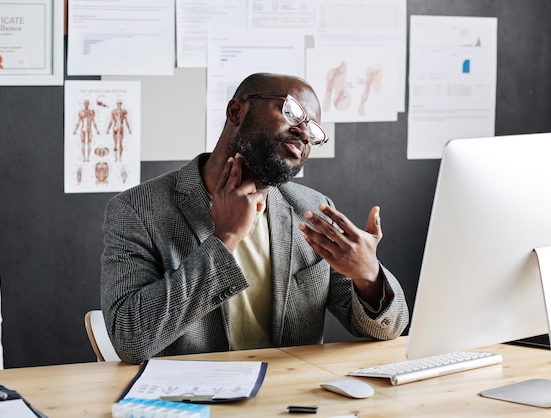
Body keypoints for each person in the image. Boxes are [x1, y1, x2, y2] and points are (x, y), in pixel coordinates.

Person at [100, 72, 408, 365]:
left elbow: (385, 330)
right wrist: (225, 239)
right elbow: (131, 339)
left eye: (313, 130)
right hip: (192, 405)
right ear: (236, 111)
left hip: (290, 400)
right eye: (291, 111)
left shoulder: (312, 209)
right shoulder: (138, 210)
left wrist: (368, 277)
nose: (303, 133)